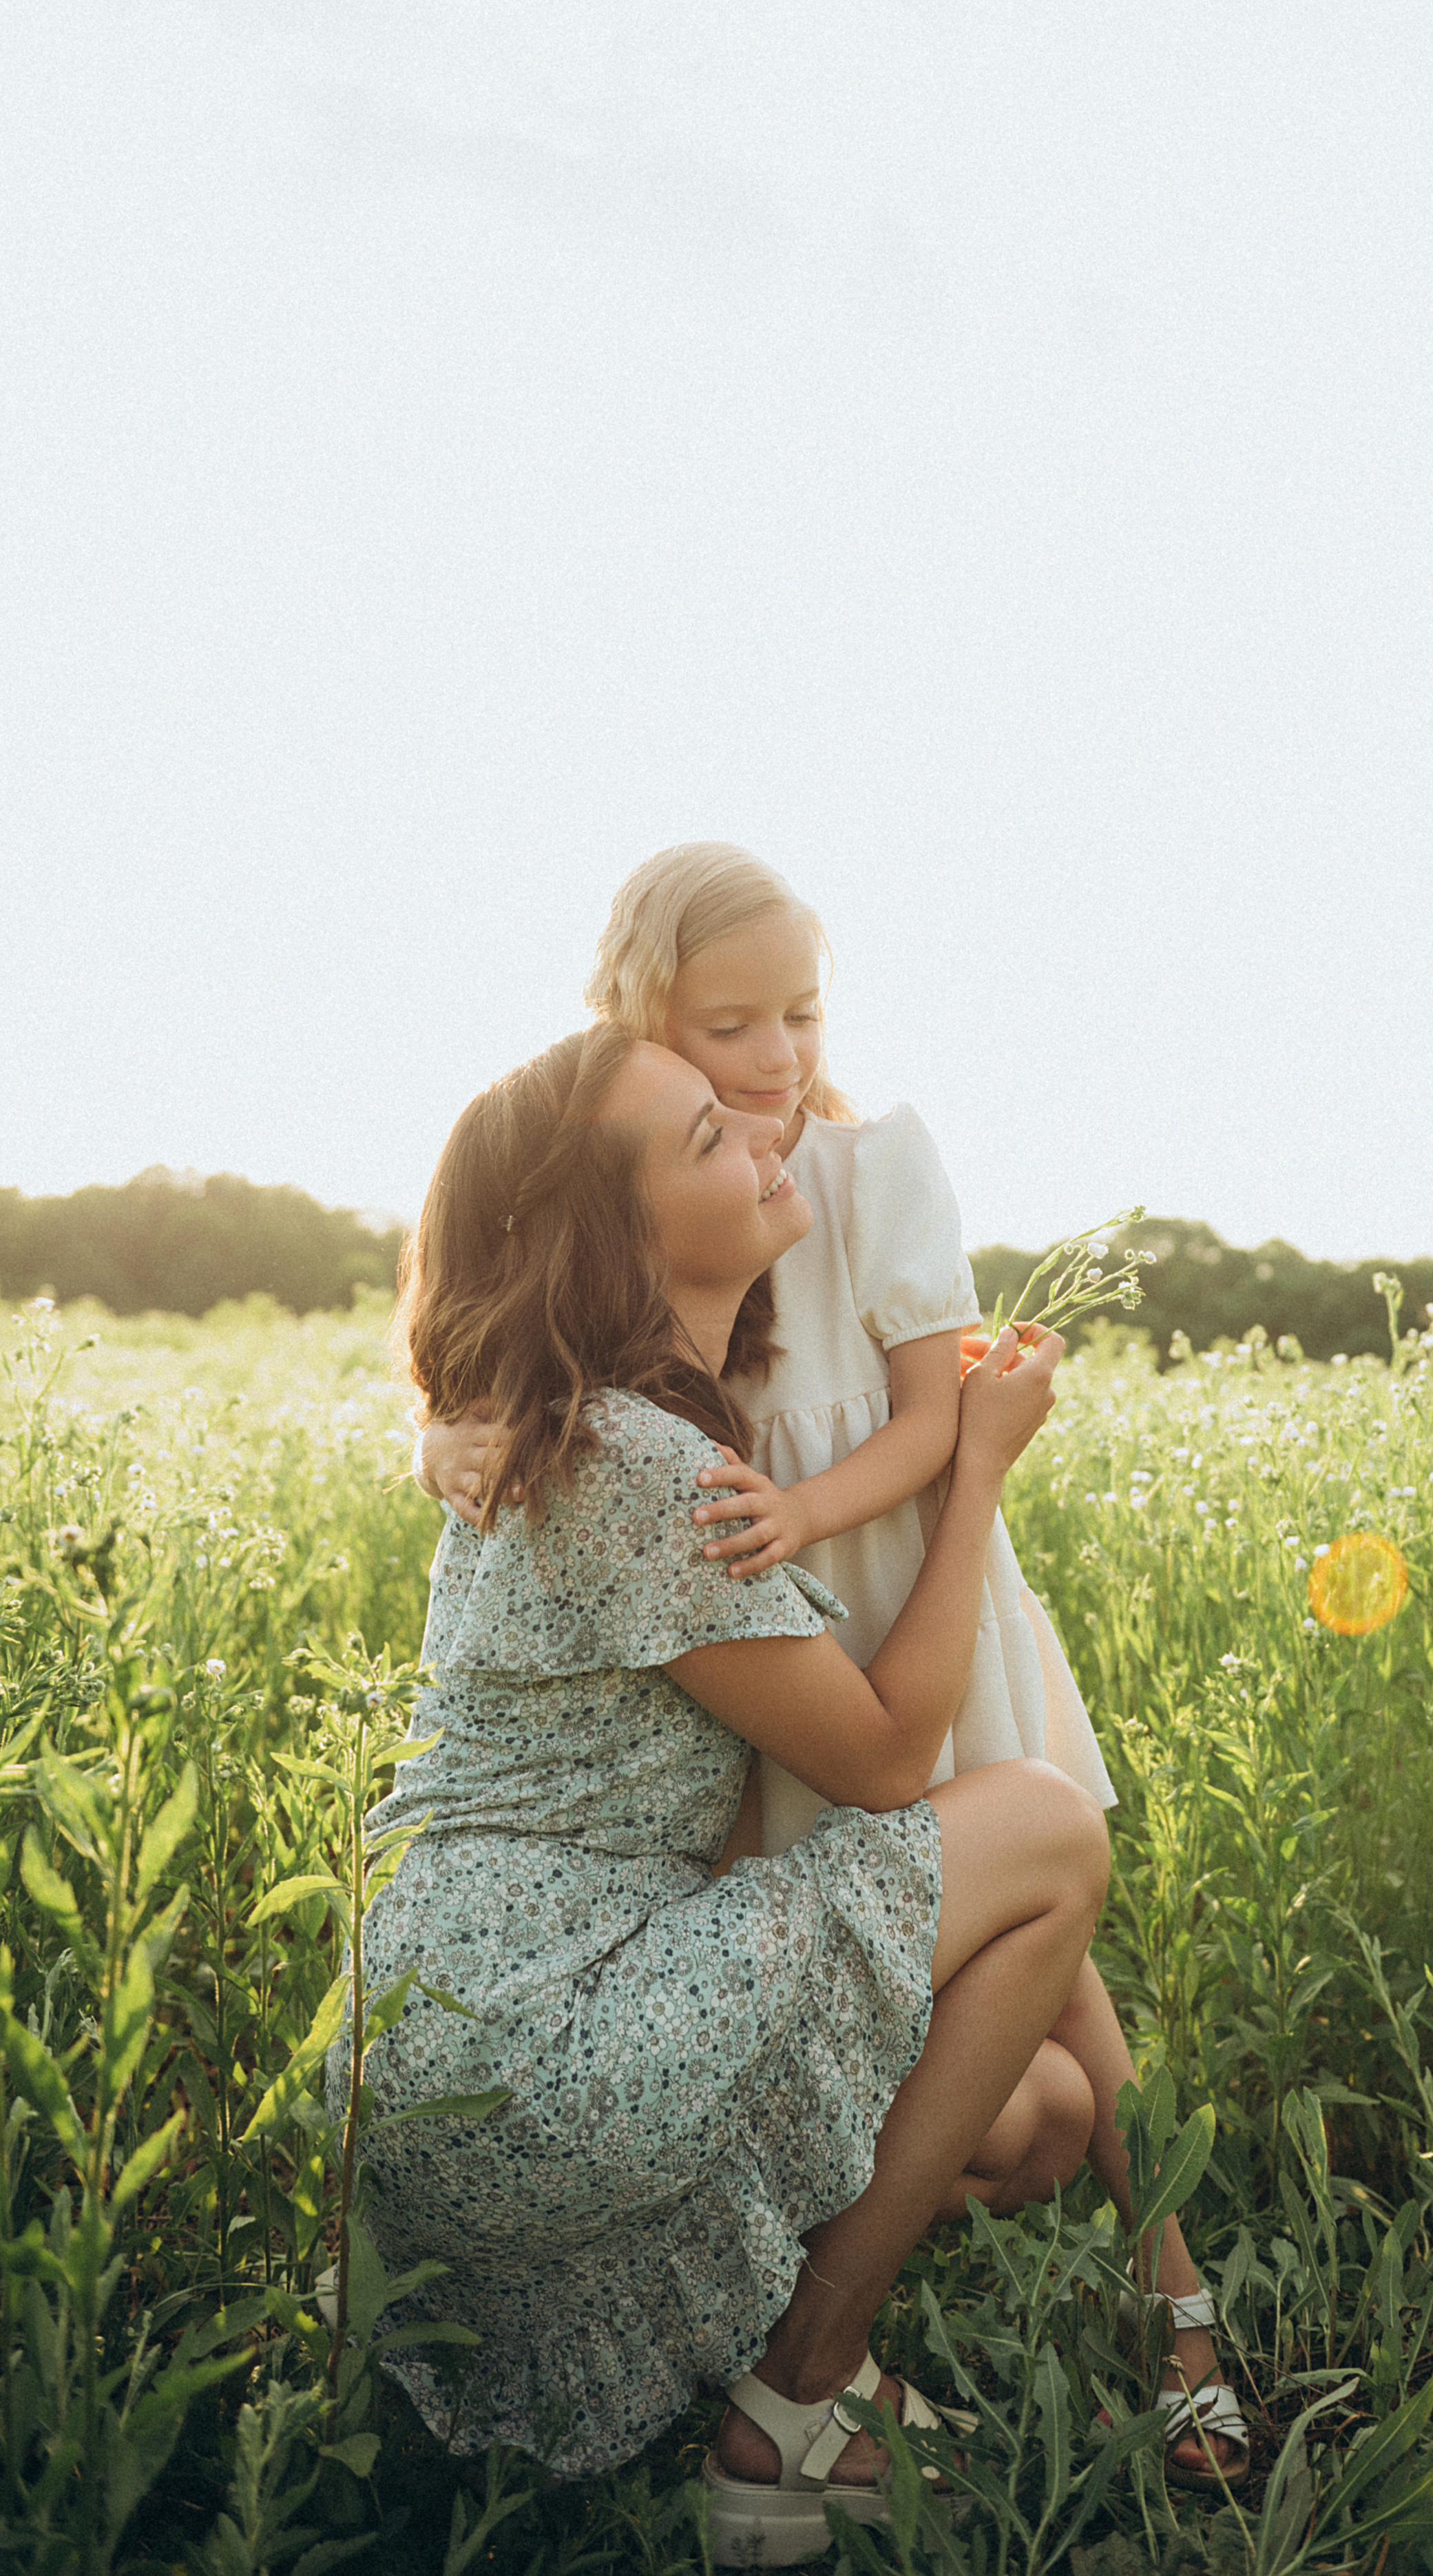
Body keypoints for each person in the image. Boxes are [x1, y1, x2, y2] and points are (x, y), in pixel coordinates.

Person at [419, 847, 1248, 2489]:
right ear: (643, 1029)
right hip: (759, 1642)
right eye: (726, 1034)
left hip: (878, 1582)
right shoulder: (632, 1225)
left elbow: (934, 1415)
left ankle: (1182, 2323)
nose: (774, 1065)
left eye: (800, 1015)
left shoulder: (849, 1169)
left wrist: (817, 1505)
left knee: (1052, 1983)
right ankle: (794, 2361)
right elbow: (527, 1347)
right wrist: (440, 1429)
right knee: (965, 1997)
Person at [342, 1020, 1110, 2564]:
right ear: (615, 1240)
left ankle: (729, 2324)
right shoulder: (632, 1462)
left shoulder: (575, 1431)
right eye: (708, 1134)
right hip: (541, 2035)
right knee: (1043, 1827)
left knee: (1040, 2116)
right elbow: (885, 1757)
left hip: (460, 2040)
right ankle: (798, 2393)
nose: (769, 1128)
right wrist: (972, 1470)